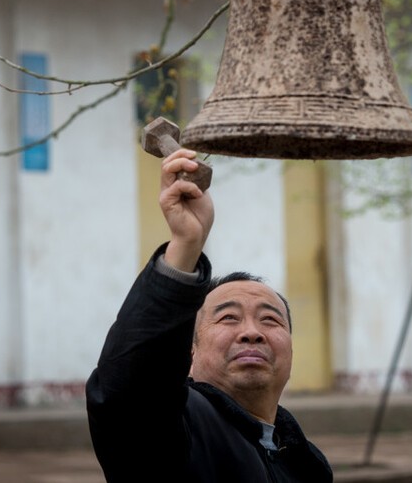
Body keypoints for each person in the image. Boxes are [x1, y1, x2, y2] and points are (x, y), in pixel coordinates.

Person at [87, 147, 334, 482]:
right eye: (228, 318)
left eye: (271, 320)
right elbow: (129, 393)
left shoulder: (307, 463)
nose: (252, 332)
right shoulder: (178, 428)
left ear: (291, 350)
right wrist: (186, 246)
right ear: (189, 353)